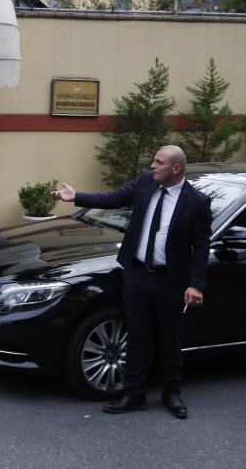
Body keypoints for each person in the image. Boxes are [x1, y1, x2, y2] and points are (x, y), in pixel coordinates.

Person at [51, 145, 211, 418]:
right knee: (137, 334)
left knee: (169, 338)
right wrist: (76, 196)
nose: (153, 166)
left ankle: (171, 393)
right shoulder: (146, 182)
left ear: (176, 169)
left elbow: (201, 246)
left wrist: (195, 284)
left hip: (169, 281)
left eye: (159, 162)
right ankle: (134, 394)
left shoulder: (196, 202)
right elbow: (114, 198)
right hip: (136, 274)